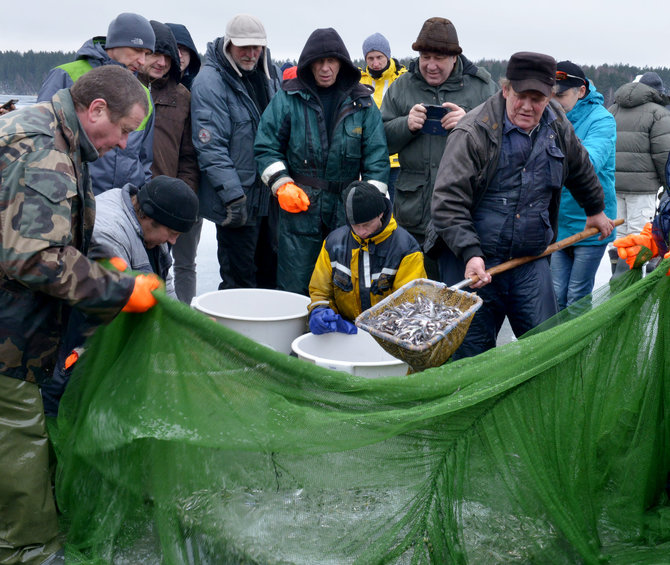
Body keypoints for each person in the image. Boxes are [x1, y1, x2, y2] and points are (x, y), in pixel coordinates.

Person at [0, 65, 161, 565]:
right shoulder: (47, 150)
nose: (124, 144)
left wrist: (95, 259)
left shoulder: (44, 127)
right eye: (125, 130)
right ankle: (29, 550)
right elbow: (31, 256)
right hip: (8, 331)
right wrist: (117, 288)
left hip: (16, 317)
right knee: (19, 435)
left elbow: (45, 230)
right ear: (96, 111)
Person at [430, 52, 614, 359]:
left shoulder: (556, 122)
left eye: (537, 98)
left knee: (545, 350)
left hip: (529, 258)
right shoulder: (472, 131)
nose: (528, 106)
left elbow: (580, 167)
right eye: (520, 96)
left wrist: (594, 210)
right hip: (474, 263)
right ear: (505, 90)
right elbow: (447, 202)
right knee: (471, 356)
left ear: (548, 97)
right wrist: (470, 252)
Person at [254, 27, 390, 296]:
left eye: (331, 61)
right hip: (300, 212)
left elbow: (377, 158)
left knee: (345, 291)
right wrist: (282, 184)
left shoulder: (362, 103)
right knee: (295, 289)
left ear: (342, 64)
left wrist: (371, 208)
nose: (325, 68)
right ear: (308, 64)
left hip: (347, 215)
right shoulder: (287, 99)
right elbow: (266, 147)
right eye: (319, 61)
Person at [381, 17, 498, 255]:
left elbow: (505, 140)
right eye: (425, 57)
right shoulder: (401, 87)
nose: (431, 65)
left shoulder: (483, 87)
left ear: (455, 57)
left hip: (465, 216)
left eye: (439, 58)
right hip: (413, 217)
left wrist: (470, 124)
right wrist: (406, 125)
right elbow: (379, 142)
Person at [192, 14, 282, 291]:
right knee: (238, 282)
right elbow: (211, 147)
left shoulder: (271, 75)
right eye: (244, 47)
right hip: (237, 203)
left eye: (257, 47)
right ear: (229, 44)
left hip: (270, 199)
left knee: (270, 276)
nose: (251, 53)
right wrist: (233, 197)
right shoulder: (210, 82)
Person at [37, 12, 156, 195]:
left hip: (121, 206)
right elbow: (40, 138)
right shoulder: (65, 75)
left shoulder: (144, 95)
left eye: (147, 54)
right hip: (71, 198)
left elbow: (144, 160)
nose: (142, 61)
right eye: (138, 50)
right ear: (116, 42)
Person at [308, 181, 426, 334]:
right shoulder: (333, 243)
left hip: (391, 333)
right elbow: (320, 291)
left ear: (381, 214)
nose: (361, 231)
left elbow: (412, 302)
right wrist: (320, 310)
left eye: (367, 224)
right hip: (345, 330)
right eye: (355, 225)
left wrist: (385, 329)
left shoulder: (405, 249)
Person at [139, 21, 200, 304]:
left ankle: (180, 322)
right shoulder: (126, 89)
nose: (161, 62)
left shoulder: (182, 96)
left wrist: (183, 192)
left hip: (169, 197)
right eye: (155, 54)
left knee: (172, 268)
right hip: (132, 199)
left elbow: (189, 154)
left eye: (169, 56)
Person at [550, 61, 617, 309]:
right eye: (550, 95)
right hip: (559, 221)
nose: (554, 101)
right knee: (556, 293)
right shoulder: (548, 114)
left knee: (577, 295)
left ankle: (579, 348)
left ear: (581, 91)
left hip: (592, 221)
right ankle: (555, 345)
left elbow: (589, 162)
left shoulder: (602, 120)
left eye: (561, 95)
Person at [608, 71, 670, 274]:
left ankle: (616, 281)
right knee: (638, 236)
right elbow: (664, 155)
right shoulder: (658, 113)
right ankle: (629, 286)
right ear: (657, 93)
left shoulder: (613, 110)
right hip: (642, 187)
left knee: (617, 235)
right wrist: (667, 187)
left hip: (613, 184)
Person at [359, 32, 406, 202]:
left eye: (379, 57)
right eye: (370, 58)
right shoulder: (358, 81)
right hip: (367, 160)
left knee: (398, 210)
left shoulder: (403, 79)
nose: (375, 63)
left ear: (388, 55)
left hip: (396, 160)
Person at [165, 22, 202, 91]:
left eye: (184, 49)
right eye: (174, 48)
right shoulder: (149, 84)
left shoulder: (198, 87)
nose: (179, 55)